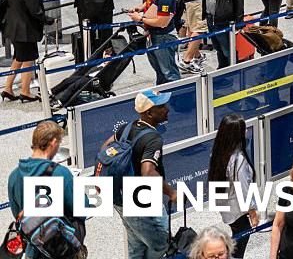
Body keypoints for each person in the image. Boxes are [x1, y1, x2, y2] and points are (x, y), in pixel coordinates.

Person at [103, 89, 176, 259]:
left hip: (120, 196)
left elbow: (105, 149)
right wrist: (171, 192)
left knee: (136, 244)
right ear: (149, 113)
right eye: (161, 106)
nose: (167, 109)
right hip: (141, 199)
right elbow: (148, 171)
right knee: (162, 242)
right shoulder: (153, 138)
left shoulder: (125, 128)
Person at [7, 120, 85, 259]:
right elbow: (81, 207)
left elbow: (17, 214)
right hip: (60, 248)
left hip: (33, 248)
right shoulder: (60, 173)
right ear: (53, 142)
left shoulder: (14, 176)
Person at [208, 114, 259, 257]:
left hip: (226, 206)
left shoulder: (218, 152)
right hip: (237, 209)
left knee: (237, 238)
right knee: (240, 240)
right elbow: (243, 188)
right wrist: (252, 211)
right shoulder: (239, 160)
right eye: (244, 129)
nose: (246, 131)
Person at [124, 0, 180, 84]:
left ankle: (177, 92)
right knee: (158, 68)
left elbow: (162, 22)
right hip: (153, 33)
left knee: (168, 71)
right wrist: (140, 8)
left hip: (163, 36)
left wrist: (140, 19)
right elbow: (152, 1)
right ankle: (162, 89)